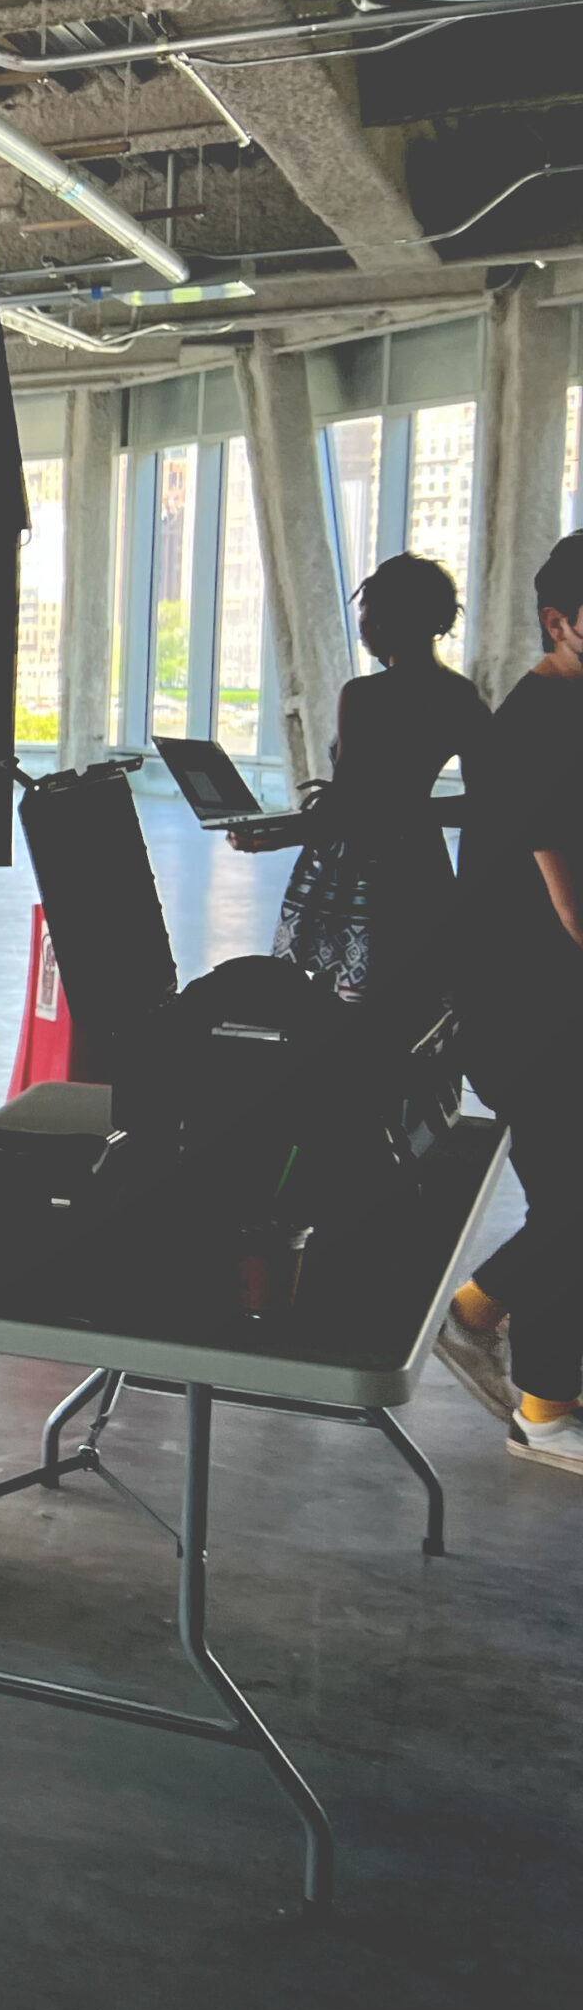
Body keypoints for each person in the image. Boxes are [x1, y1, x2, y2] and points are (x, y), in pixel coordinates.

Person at [431, 530, 583, 1468]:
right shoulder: (541, 727)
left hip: (545, 1004)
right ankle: (545, 1408)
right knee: (575, 1206)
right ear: (559, 622)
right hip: (525, 1013)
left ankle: (475, 1312)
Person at [269, 552, 489, 1011]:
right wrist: (419, 811)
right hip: (424, 872)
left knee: (351, 1016)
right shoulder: (460, 695)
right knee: (422, 1010)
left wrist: (270, 836)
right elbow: (490, 800)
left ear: (386, 622)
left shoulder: (364, 695)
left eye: (366, 614)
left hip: (357, 882)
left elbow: (346, 810)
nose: (362, 625)